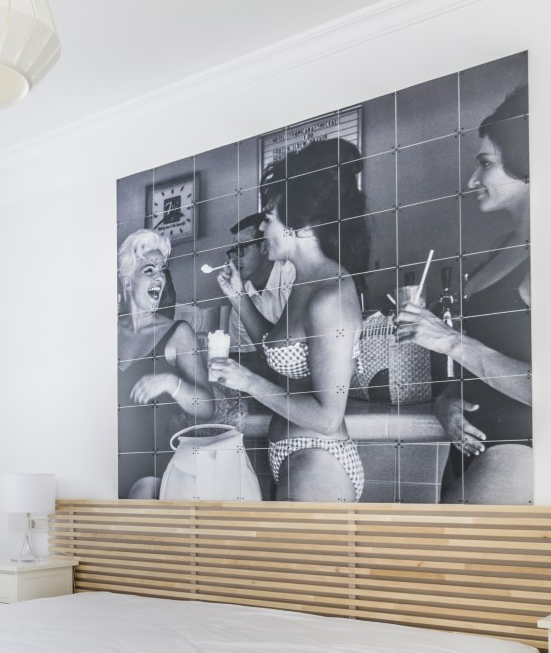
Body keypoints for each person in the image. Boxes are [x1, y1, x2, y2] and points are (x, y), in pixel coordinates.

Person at [208, 139, 367, 501]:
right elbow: (278, 350)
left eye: (268, 219)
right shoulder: (304, 280)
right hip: (293, 456)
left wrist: (248, 381)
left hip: (319, 461)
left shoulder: (331, 295)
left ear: (303, 227)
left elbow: (328, 417)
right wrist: (239, 297)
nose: (262, 232)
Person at [396, 84, 531, 503]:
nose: (473, 179)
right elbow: (483, 363)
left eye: (486, 164)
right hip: (473, 453)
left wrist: (451, 340)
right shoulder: (504, 248)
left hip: (517, 458)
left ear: (528, 164)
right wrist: (447, 401)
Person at [117, 228, 215, 498]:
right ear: (127, 282)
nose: (159, 277)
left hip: (150, 468)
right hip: (104, 460)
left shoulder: (178, 333)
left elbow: (207, 406)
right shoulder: (106, 334)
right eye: (149, 270)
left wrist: (171, 383)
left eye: (162, 270)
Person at [218, 212, 282, 351]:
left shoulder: (292, 279)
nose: (234, 258)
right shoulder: (242, 292)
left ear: (265, 246)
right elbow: (247, 356)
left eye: (241, 248)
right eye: (233, 250)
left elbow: (288, 346)